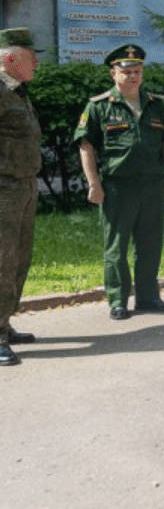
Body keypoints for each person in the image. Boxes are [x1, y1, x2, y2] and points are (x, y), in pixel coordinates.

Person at [75, 44, 164, 320]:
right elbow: (86, 146)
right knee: (116, 246)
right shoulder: (98, 107)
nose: (133, 76)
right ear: (113, 74)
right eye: (127, 71)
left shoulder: (155, 104)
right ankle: (118, 300)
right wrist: (94, 183)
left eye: (137, 71)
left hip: (152, 185)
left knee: (150, 243)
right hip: (118, 187)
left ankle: (148, 297)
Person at [0, 29, 42, 365]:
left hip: (23, 186)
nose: (37, 63)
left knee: (20, 257)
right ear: (9, 58)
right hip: (3, 189)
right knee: (2, 260)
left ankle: (5, 321)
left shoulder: (18, 91)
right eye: (31, 56)